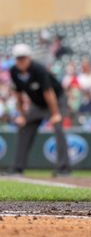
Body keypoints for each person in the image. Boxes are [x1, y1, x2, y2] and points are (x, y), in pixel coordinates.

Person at [6, 44, 70, 176]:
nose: (21, 61)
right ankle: (17, 168)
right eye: (18, 59)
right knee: (24, 128)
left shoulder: (38, 69)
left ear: (29, 58)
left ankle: (63, 169)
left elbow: (49, 93)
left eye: (23, 58)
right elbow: (19, 96)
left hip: (56, 101)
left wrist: (56, 114)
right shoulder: (14, 71)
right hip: (37, 104)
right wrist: (22, 115)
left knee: (58, 128)